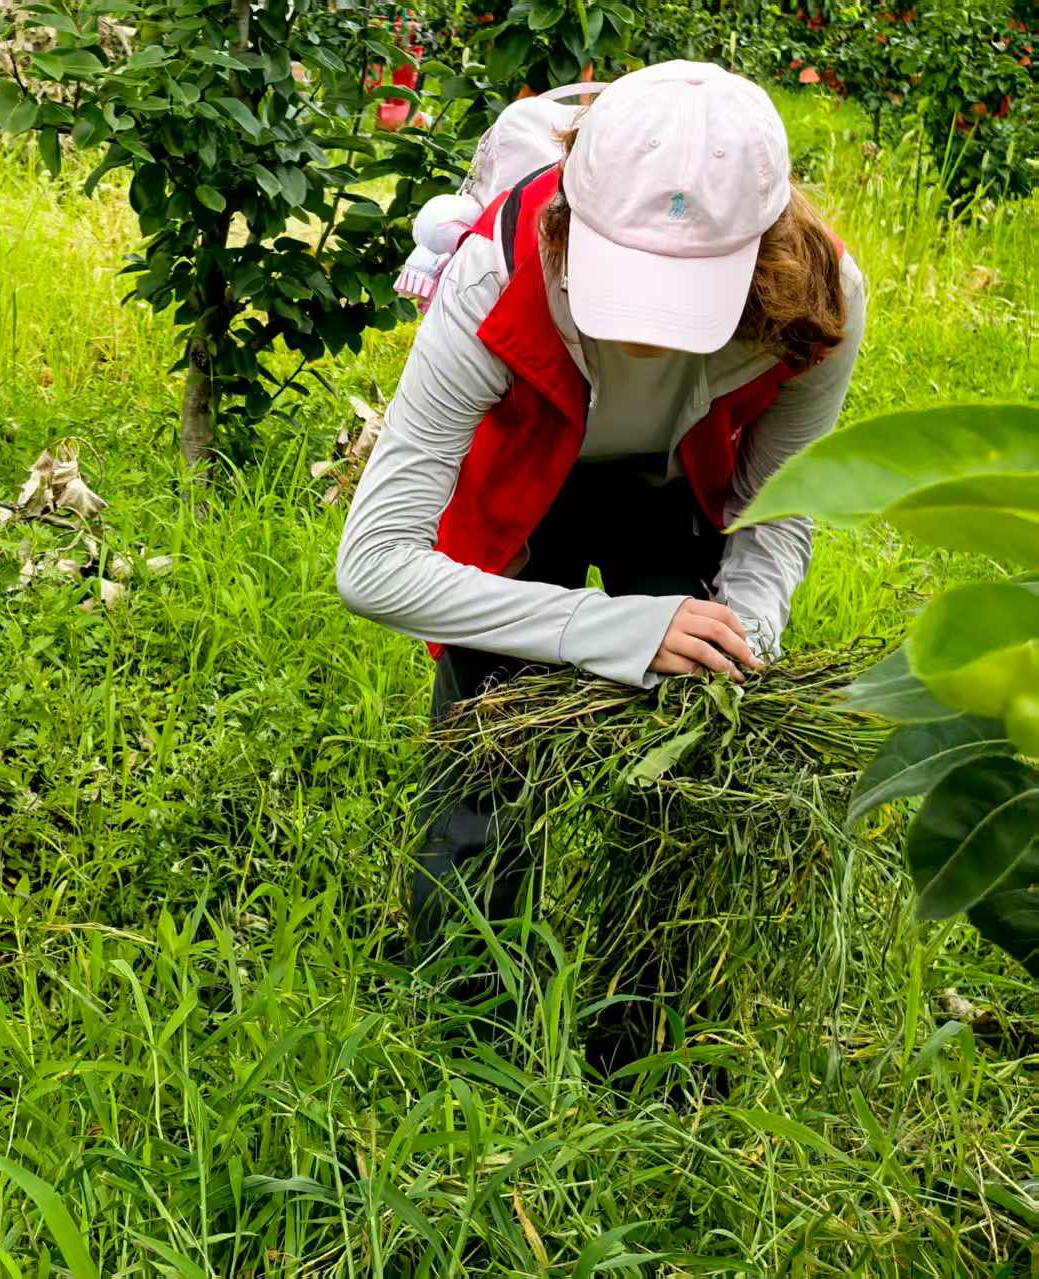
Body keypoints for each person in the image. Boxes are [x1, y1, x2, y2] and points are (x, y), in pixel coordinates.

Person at [336, 62, 867, 948]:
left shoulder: (820, 304)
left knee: (687, 762)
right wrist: (611, 629)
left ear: (762, 248)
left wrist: (746, 635)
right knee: (488, 748)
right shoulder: (492, 274)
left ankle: (643, 1005)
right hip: (521, 483)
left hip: (674, 484)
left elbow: (779, 504)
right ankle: (467, 1010)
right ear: (572, 219)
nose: (647, 329)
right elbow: (375, 564)